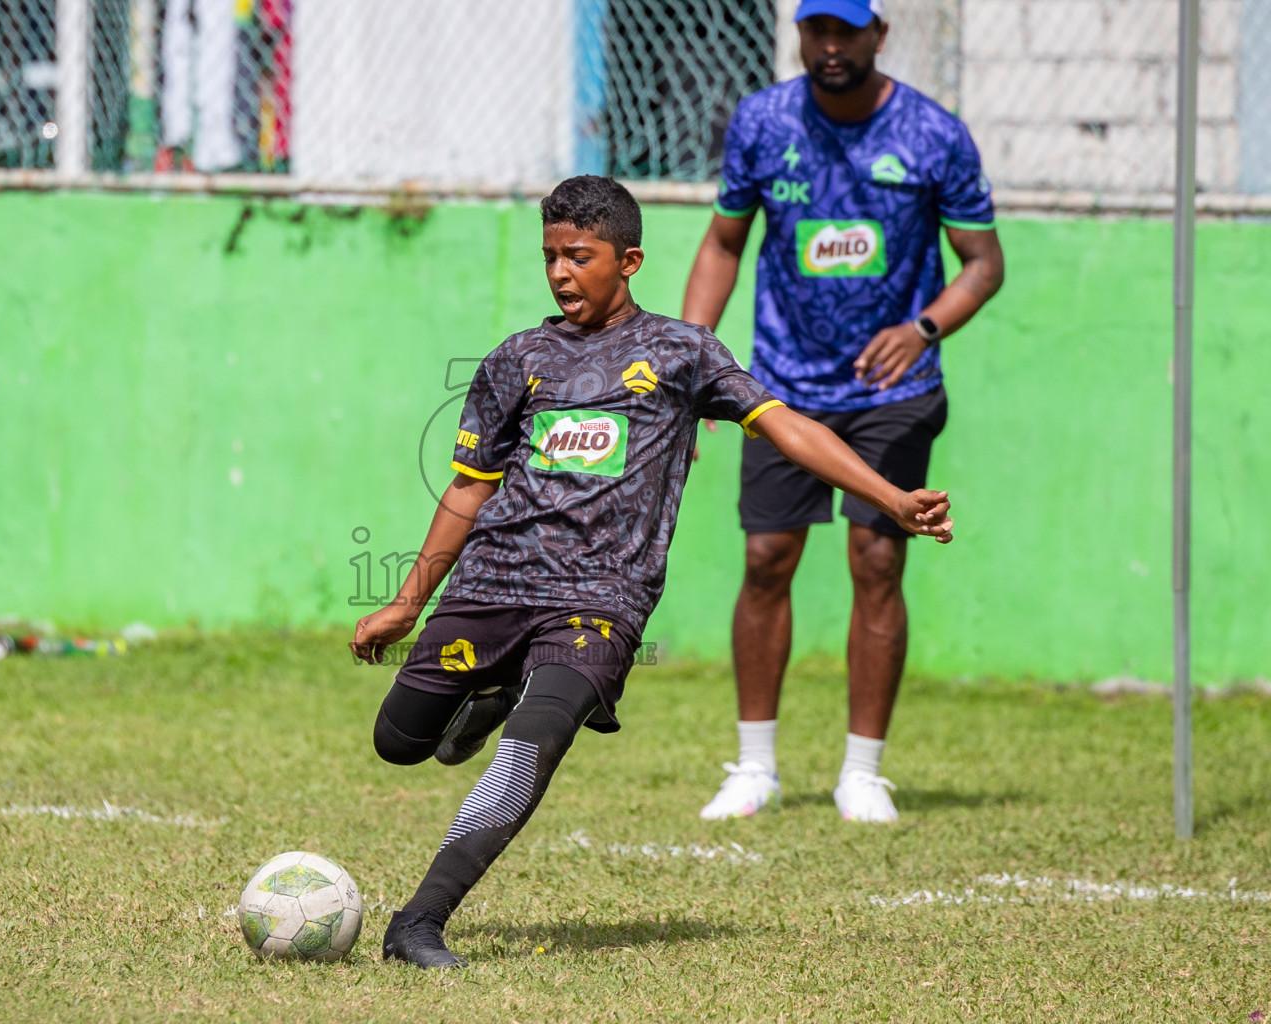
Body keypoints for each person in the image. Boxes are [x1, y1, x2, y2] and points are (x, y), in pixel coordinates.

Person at [350, 175, 954, 969]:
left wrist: (890, 496)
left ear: (628, 259)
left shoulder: (681, 353)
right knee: (398, 742)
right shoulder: (516, 360)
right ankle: (491, 689)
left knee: (535, 743)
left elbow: (786, 427)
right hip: (494, 585)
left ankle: (418, 923)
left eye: (580, 256)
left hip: (602, 599)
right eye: (550, 257)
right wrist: (405, 604)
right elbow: (468, 490)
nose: (561, 272)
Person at [682, 0, 1004, 824]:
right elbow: (724, 243)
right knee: (766, 559)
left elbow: (982, 264)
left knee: (877, 560)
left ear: (878, 36)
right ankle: (755, 766)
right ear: (800, 36)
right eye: (815, 30)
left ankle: (863, 772)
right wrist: (692, 363)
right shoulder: (761, 121)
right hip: (781, 390)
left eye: (846, 31)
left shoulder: (934, 135)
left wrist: (923, 326)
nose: (829, 46)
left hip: (892, 392)